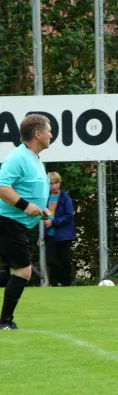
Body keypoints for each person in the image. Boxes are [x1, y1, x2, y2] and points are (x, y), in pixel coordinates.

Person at [0, 114, 52, 330]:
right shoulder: (18, 157)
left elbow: (29, 189)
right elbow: (2, 187)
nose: (51, 135)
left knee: (17, 271)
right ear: (38, 134)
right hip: (8, 221)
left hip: (16, 223)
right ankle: (5, 322)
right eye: (48, 131)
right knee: (23, 271)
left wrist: (42, 209)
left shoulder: (34, 158)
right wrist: (25, 205)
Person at [44, 172, 75, 287]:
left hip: (63, 235)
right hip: (50, 235)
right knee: (52, 262)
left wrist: (53, 222)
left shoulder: (65, 198)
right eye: (51, 184)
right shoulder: (45, 198)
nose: (54, 186)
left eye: (56, 183)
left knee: (65, 261)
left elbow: (69, 216)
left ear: (59, 183)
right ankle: (54, 284)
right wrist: (41, 236)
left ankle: (67, 284)